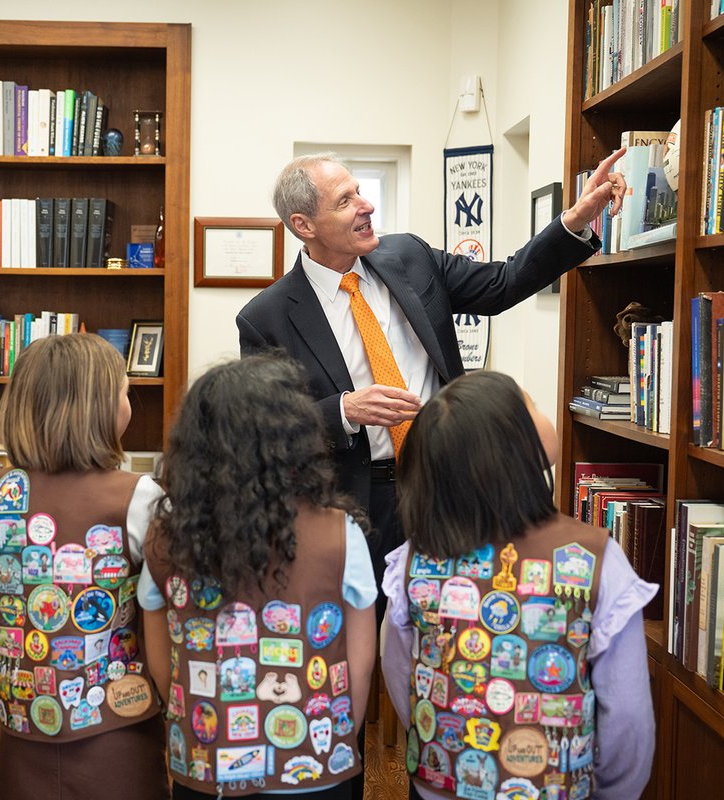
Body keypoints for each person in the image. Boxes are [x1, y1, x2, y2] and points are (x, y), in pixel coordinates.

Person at [236, 150, 627, 618]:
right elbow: (265, 429)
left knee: (455, 621)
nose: (366, 205)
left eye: (360, 191)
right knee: (363, 632)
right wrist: (343, 411)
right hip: (353, 502)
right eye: (346, 200)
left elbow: (502, 284)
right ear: (305, 225)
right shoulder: (266, 318)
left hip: (447, 483)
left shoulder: (409, 257)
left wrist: (574, 221)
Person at [381, 371, 656, 800]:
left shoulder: (413, 559)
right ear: (512, 450)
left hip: (441, 783)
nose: (542, 413)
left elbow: (402, 676)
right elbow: (629, 716)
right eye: (531, 406)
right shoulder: (597, 559)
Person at [139, 353, 378, 799]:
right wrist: (333, 739)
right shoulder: (340, 535)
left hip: (203, 763)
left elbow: (163, 667)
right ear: (297, 439)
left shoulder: (164, 537)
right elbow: (359, 667)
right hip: (315, 765)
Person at [0, 333, 166, 800]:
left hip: (23, 719)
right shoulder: (140, 496)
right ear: (98, 407)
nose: (128, 401)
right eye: (123, 391)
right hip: (119, 725)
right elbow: (159, 626)